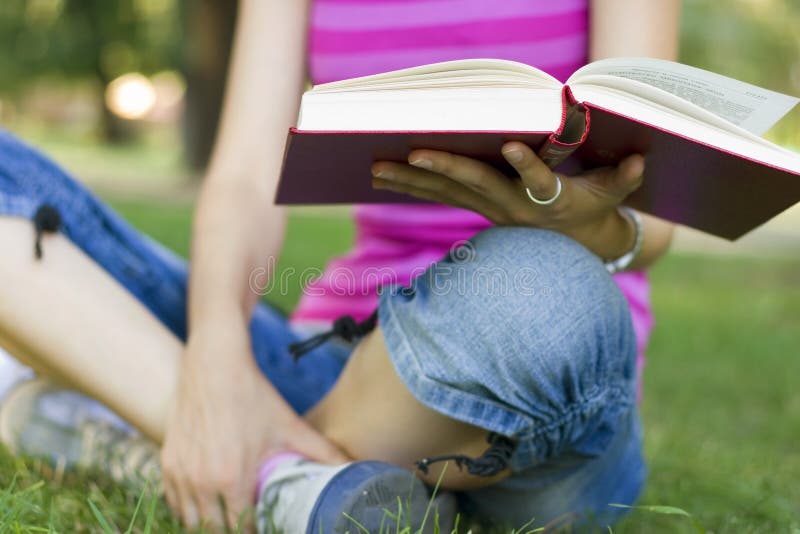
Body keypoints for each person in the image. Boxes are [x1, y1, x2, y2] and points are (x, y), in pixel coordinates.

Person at [0, 0, 681, 531]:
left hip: (526, 367)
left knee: (542, 291)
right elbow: (245, 177)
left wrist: (575, 223)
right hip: (332, 363)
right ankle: (295, 485)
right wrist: (216, 357)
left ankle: (149, 428)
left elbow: (653, 219)